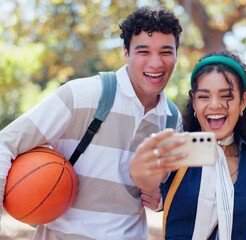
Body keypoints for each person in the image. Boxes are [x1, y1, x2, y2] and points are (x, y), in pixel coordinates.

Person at [0, 6, 184, 239]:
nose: (156, 63)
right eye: (143, 51)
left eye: (166, 52)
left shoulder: (172, 120)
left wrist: (160, 200)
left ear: (177, 54)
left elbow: (168, 192)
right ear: (126, 52)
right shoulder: (81, 95)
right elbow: (5, 143)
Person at [132, 49, 246, 239]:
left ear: (243, 101)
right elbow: (146, 183)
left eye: (226, 96)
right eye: (204, 96)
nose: (214, 105)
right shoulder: (176, 155)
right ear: (194, 102)